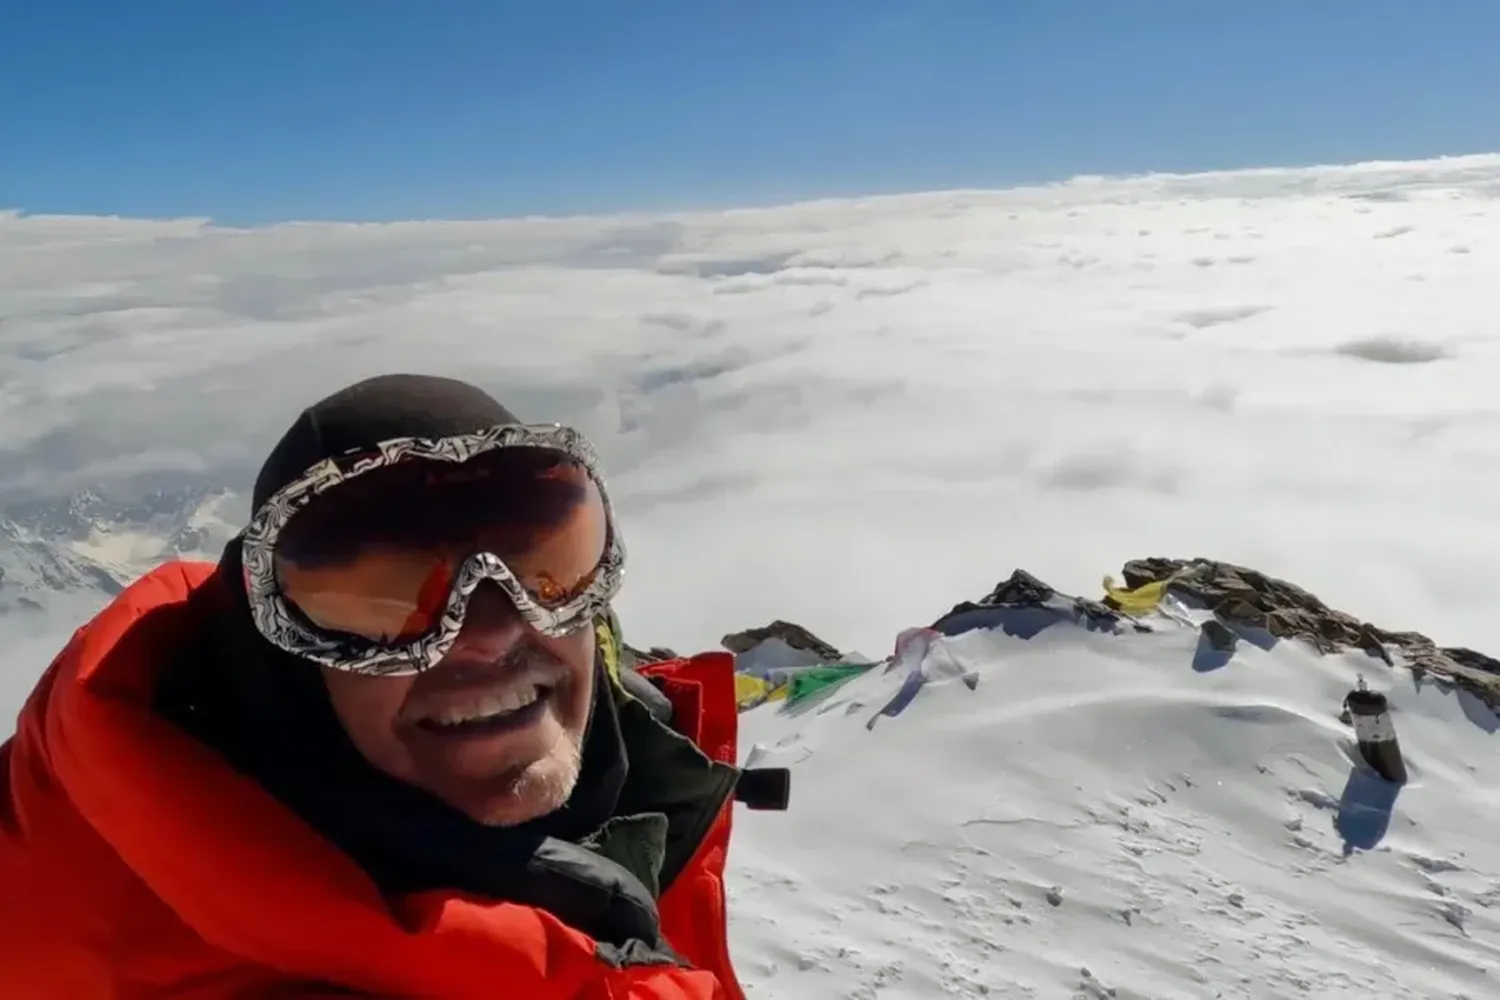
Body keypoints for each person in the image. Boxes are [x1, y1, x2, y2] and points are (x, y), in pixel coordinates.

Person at [0, 373, 788, 999]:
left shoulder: (633, 789)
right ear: (283, 669)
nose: (489, 632)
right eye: (383, 596)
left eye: (541, 562)